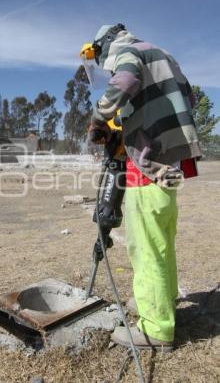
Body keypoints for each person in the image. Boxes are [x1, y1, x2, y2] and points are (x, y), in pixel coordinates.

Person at [80, 24, 201, 350]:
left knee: (145, 248)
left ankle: (156, 327)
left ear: (105, 47)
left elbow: (126, 80)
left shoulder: (128, 52)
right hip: (168, 163)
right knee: (161, 242)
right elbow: (186, 97)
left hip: (147, 166)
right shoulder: (163, 55)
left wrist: (98, 118)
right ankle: (161, 301)